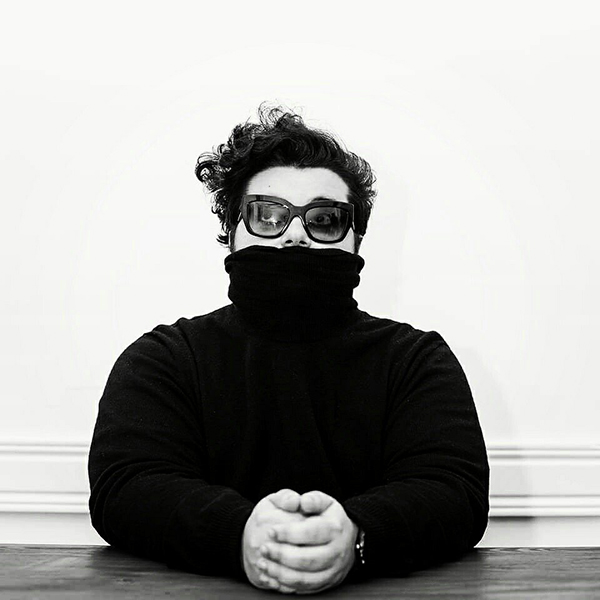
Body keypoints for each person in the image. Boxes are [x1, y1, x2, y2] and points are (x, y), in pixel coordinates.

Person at [88, 105, 489, 595]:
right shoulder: (164, 359)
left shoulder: (416, 359)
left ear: (356, 240)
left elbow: (455, 490)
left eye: (324, 219)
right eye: (268, 215)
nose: (295, 233)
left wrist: (357, 535)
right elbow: (125, 486)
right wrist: (239, 535)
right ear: (231, 232)